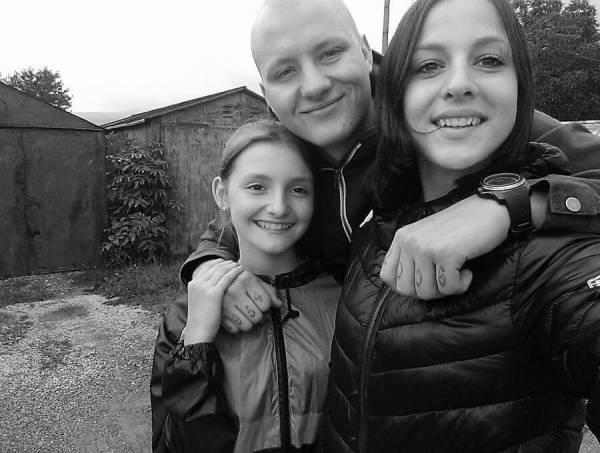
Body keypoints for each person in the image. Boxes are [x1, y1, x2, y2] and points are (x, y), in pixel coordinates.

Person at [180, 0, 600, 338]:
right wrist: (210, 268)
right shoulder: (285, 153)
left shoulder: (439, 117)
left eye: (330, 53)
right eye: (285, 71)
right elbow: (230, 221)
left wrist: (506, 205)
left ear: (365, 51)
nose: (315, 85)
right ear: (266, 92)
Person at [321, 0, 600, 451]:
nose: (459, 84)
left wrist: (515, 205)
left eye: (489, 60)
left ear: (519, 86)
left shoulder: (549, 254)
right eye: (429, 65)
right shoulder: (375, 229)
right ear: (396, 94)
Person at [151, 119, 341, 452]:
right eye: (257, 187)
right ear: (222, 194)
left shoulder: (344, 300)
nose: (279, 207)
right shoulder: (186, 315)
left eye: (298, 189)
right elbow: (171, 444)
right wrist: (196, 342)